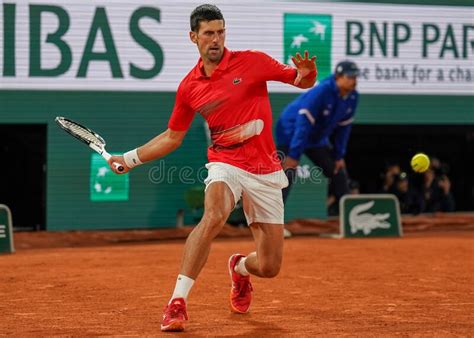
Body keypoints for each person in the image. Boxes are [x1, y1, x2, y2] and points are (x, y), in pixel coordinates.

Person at [107, 4, 317, 332]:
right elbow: (172, 137)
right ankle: (177, 302)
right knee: (214, 215)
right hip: (225, 162)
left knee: (270, 266)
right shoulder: (190, 86)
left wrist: (307, 74)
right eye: (208, 33)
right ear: (194, 37)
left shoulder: (253, 62)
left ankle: (240, 269)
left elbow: (300, 81)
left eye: (220, 31)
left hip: (264, 169)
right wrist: (130, 159)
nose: (216, 39)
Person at [276, 60, 359, 213]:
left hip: (316, 139)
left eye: (355, 77)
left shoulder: (353, 97)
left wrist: (339, 155)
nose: (353, 81)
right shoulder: (322, 91)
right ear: (338, 77)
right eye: (349, 77)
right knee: (286, 174)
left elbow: (344, 128)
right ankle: (274, 222)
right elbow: (303, 123)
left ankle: (351, 220)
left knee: (337, 170)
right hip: (290, 131)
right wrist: (293, 155)